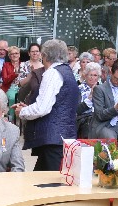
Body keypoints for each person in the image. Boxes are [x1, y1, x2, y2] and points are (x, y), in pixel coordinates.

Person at [16, 39, 78, 171]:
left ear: (45, 56)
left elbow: (42, 108)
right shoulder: (67, 71)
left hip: (52, 138)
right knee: (39, 179)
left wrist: (22, 111)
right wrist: (28, 108)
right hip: (64, 135)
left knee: (50, 180)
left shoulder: (52, 73)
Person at [76, 62, 102, 137]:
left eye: (95, 75)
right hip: (84, 119)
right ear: (85, 75)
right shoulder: (79, 89)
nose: (92, 77)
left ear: (98, 77)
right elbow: (77, 110)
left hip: (100, 118)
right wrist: (90, 97)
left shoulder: (103, 89)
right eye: (90, 75)